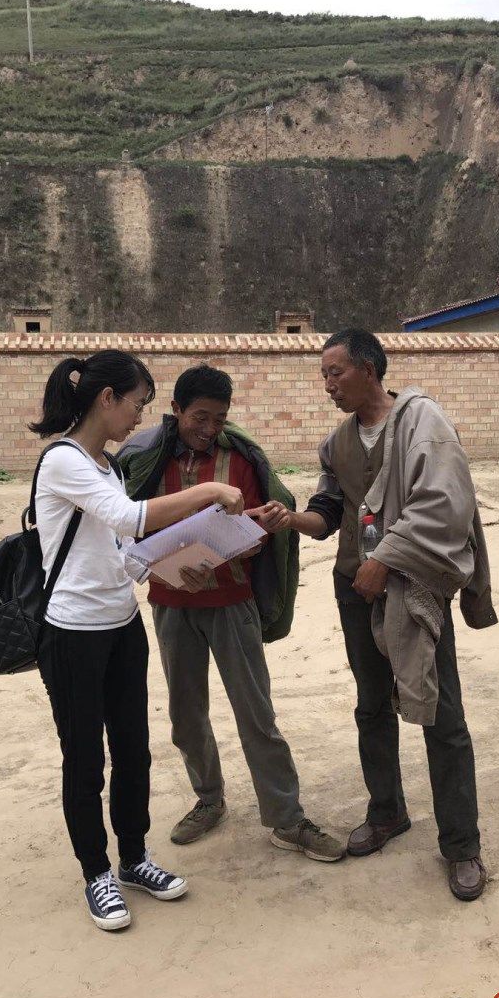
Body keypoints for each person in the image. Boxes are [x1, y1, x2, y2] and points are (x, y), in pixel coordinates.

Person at [248, 329, 497, 900]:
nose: (328, 385)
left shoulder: (422, 422)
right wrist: (290, 520)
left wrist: (384, 560)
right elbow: (328, 512)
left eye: (335, 373)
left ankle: (462, 845)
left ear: (369, 369)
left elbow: (446, 504)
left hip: (413, 586)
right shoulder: (338, 443)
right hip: (354, 590)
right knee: (371, 705)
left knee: (441, 712)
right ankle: (387, 812)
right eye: (323, 375)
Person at [30, 350, 245, 931]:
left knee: (133, 750)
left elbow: (123, 551)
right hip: (73, 633)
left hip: (121, 626)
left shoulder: (109, 466)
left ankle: (133, 858)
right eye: (137, 404)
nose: (140, 417)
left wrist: (173, 567)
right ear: (107, 399)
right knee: (84, 757)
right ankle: (96, 872)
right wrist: (210, 492)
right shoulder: (63, 461)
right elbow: (129, 519)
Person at [118, 363, 345, 862]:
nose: (209, 428)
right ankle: (209, 800)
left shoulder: (239, 461)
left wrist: (259, 528)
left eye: (219, 419)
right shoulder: (145, 462)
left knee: (256, 714)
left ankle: (287, 818)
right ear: (176, 410)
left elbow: (257, 530)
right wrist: (165, 569)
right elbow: (126, 534)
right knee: (186, 715)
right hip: (172, 606)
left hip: (232, 604)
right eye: (199, 417)